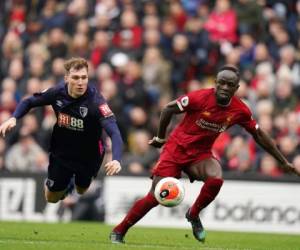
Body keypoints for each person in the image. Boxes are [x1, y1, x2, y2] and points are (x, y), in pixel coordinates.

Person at [109, 65, 300, 244]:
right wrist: (160, 137)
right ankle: (119, 230)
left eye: (229, 85)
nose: (224, 87)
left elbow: (258, 134)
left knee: (216, 178)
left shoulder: (240, 110)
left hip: (200, 155)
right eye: (221, 83)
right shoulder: (199, 98)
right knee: (155, 196)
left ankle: (193, 214)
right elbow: (168, 108)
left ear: (237, 88)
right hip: (175, 150)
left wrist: (282, 161)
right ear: (215, 82)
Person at [0, 57, 123, 203]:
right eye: (76, 78)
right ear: (66, 78)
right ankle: (65, 184)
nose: (80, 82)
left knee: (81, 189)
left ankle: (72, 182)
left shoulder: (97, 102)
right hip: (63, 150)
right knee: (51, 198)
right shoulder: (57, 92)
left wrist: (116, 159)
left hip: (89, 153)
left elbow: (114, 132)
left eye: (84, 78)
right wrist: (14, 118)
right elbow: (29, 101)